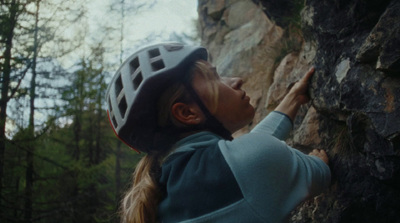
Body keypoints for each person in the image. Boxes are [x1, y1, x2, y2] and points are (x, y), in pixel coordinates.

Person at [106, 42, 331, 223]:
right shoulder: (248, 163)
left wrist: (292, 100)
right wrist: (316, 160)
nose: (236, 81)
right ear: (187, 113)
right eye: (214, 77)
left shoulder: (167, 188)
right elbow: (319, 173)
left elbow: (246, 158)